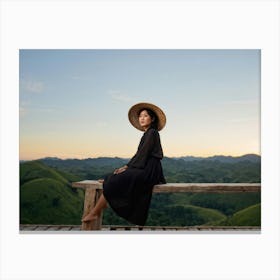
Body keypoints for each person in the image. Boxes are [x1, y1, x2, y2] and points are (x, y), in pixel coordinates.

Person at [82, 102, 166, 226]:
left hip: (149, 169)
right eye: (140, 116)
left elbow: (143, 154)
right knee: (114, 177)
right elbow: (140, 154)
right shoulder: (147, 133)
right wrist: (127, 167)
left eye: (145, 116)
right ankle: (102, 203)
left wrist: (127, 167)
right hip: (145, 166)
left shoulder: (152, 133)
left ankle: (96, 211)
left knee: (117, 177)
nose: (142, 118)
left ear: (152, 118)